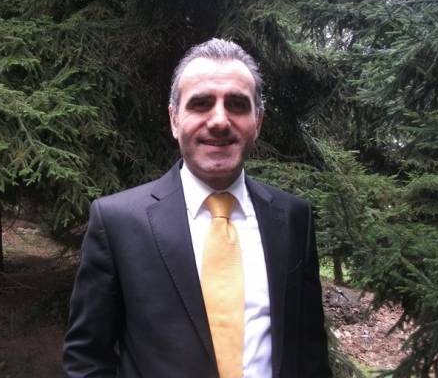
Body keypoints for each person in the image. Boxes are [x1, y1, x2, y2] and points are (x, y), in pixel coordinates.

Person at [63, 38, 332, 378]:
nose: (219, 120)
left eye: (237, 104)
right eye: (201, 103)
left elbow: (310, 355)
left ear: (258, 121)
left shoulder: (294, 218)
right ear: (175, 119)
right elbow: (87, 359)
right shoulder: (117, 222)